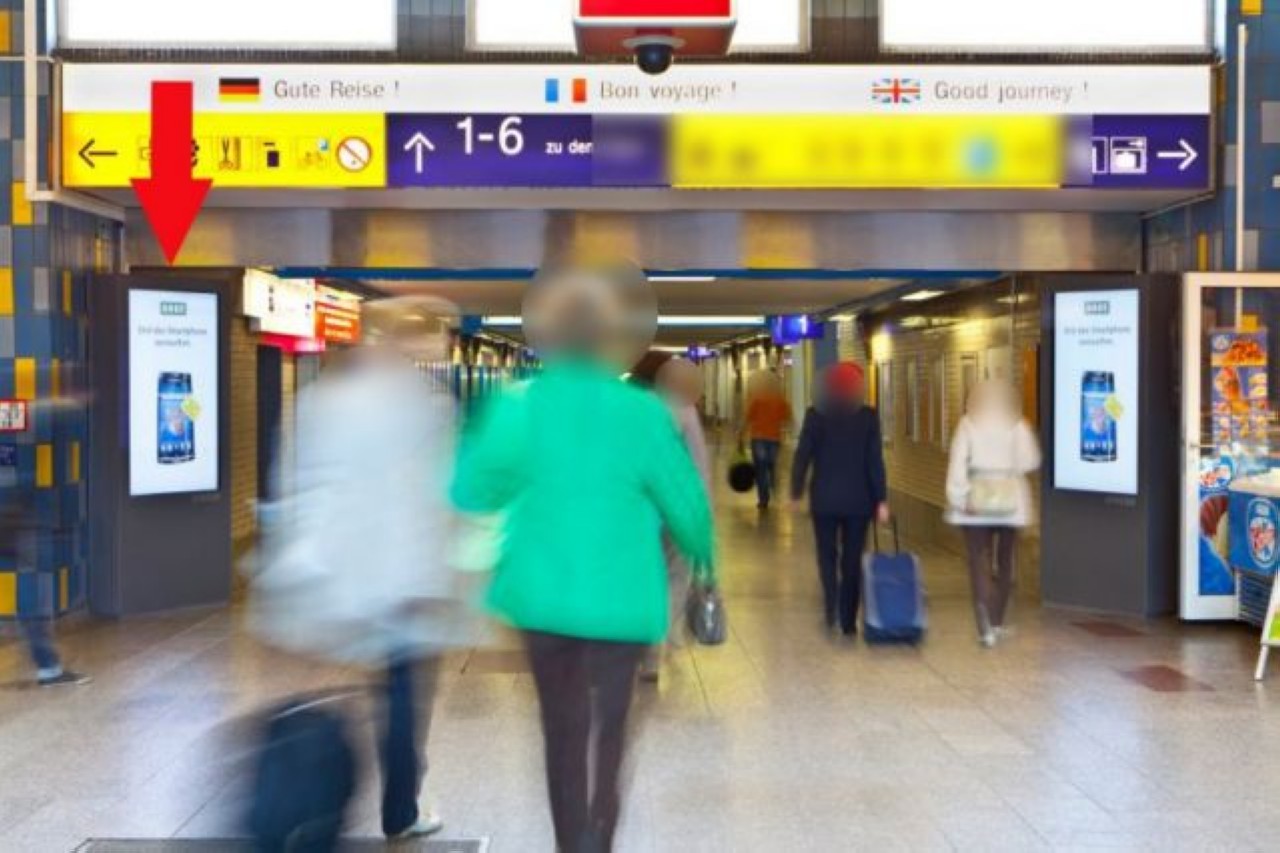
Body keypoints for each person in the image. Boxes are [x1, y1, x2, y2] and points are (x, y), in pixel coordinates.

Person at [451, 263, 714, 853]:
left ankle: (573, 840)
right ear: (610, 339)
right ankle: (602, 828)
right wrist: (704, 563)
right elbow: (688, 506)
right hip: (624, 599)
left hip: (542, 597)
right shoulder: (643, 412)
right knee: (611, 726)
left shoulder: (518, 405)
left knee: (562, 727)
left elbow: (470, 490)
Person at [251, 297, 464, 840]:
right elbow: (435, 497)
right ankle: (399, 809)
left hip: (334, 573)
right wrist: (434, 574)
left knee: (338, 690)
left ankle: (313, 791)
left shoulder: (319, 400)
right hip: (399, 578)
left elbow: (297, 484)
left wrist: (293, 563)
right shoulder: (429, 406)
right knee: (402, 696)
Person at [790, 363, 890, 637]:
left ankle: (831, 603)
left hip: (824, 500)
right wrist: (881, 499)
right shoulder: (868, 417)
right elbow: (874, 461)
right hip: (859, 502)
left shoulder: (815, 415)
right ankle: (848, 620)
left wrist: (796, 492)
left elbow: (802, 456)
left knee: (827, 555)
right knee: (852, 559)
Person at [945, 379, 1041, 648]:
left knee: (978, 560)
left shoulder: (968, 423)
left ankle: (984, 625)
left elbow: (957, 462)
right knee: (1005, 561)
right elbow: (1030, 461)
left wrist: (958, 496)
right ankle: (997, 621)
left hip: (976, 501)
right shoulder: (1017, 424)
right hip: (1010, 502)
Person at [640, 357, 713, 682]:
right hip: (679, 510)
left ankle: (645, 647)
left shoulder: (636, 410)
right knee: (677, 574)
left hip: (643, 511)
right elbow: (700, 466)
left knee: (645, 576)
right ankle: (663, 635)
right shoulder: (686, 412)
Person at [0, 489, 90, 687]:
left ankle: (50, 668)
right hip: (28, 575)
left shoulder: (16, 519)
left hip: (26, 574)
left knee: (34, 623)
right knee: (34, 623)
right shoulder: (22, 523)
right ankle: (50, 671)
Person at [742, 371, 792, 508]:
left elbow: (748, 418)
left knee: (760, 469)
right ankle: (773, 486)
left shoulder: (757, 398)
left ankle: (763, 499)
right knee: (772, 466)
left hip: (758, 438)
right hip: (774, 438)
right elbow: (787, 418)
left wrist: (741, 434)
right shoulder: (780, 400)